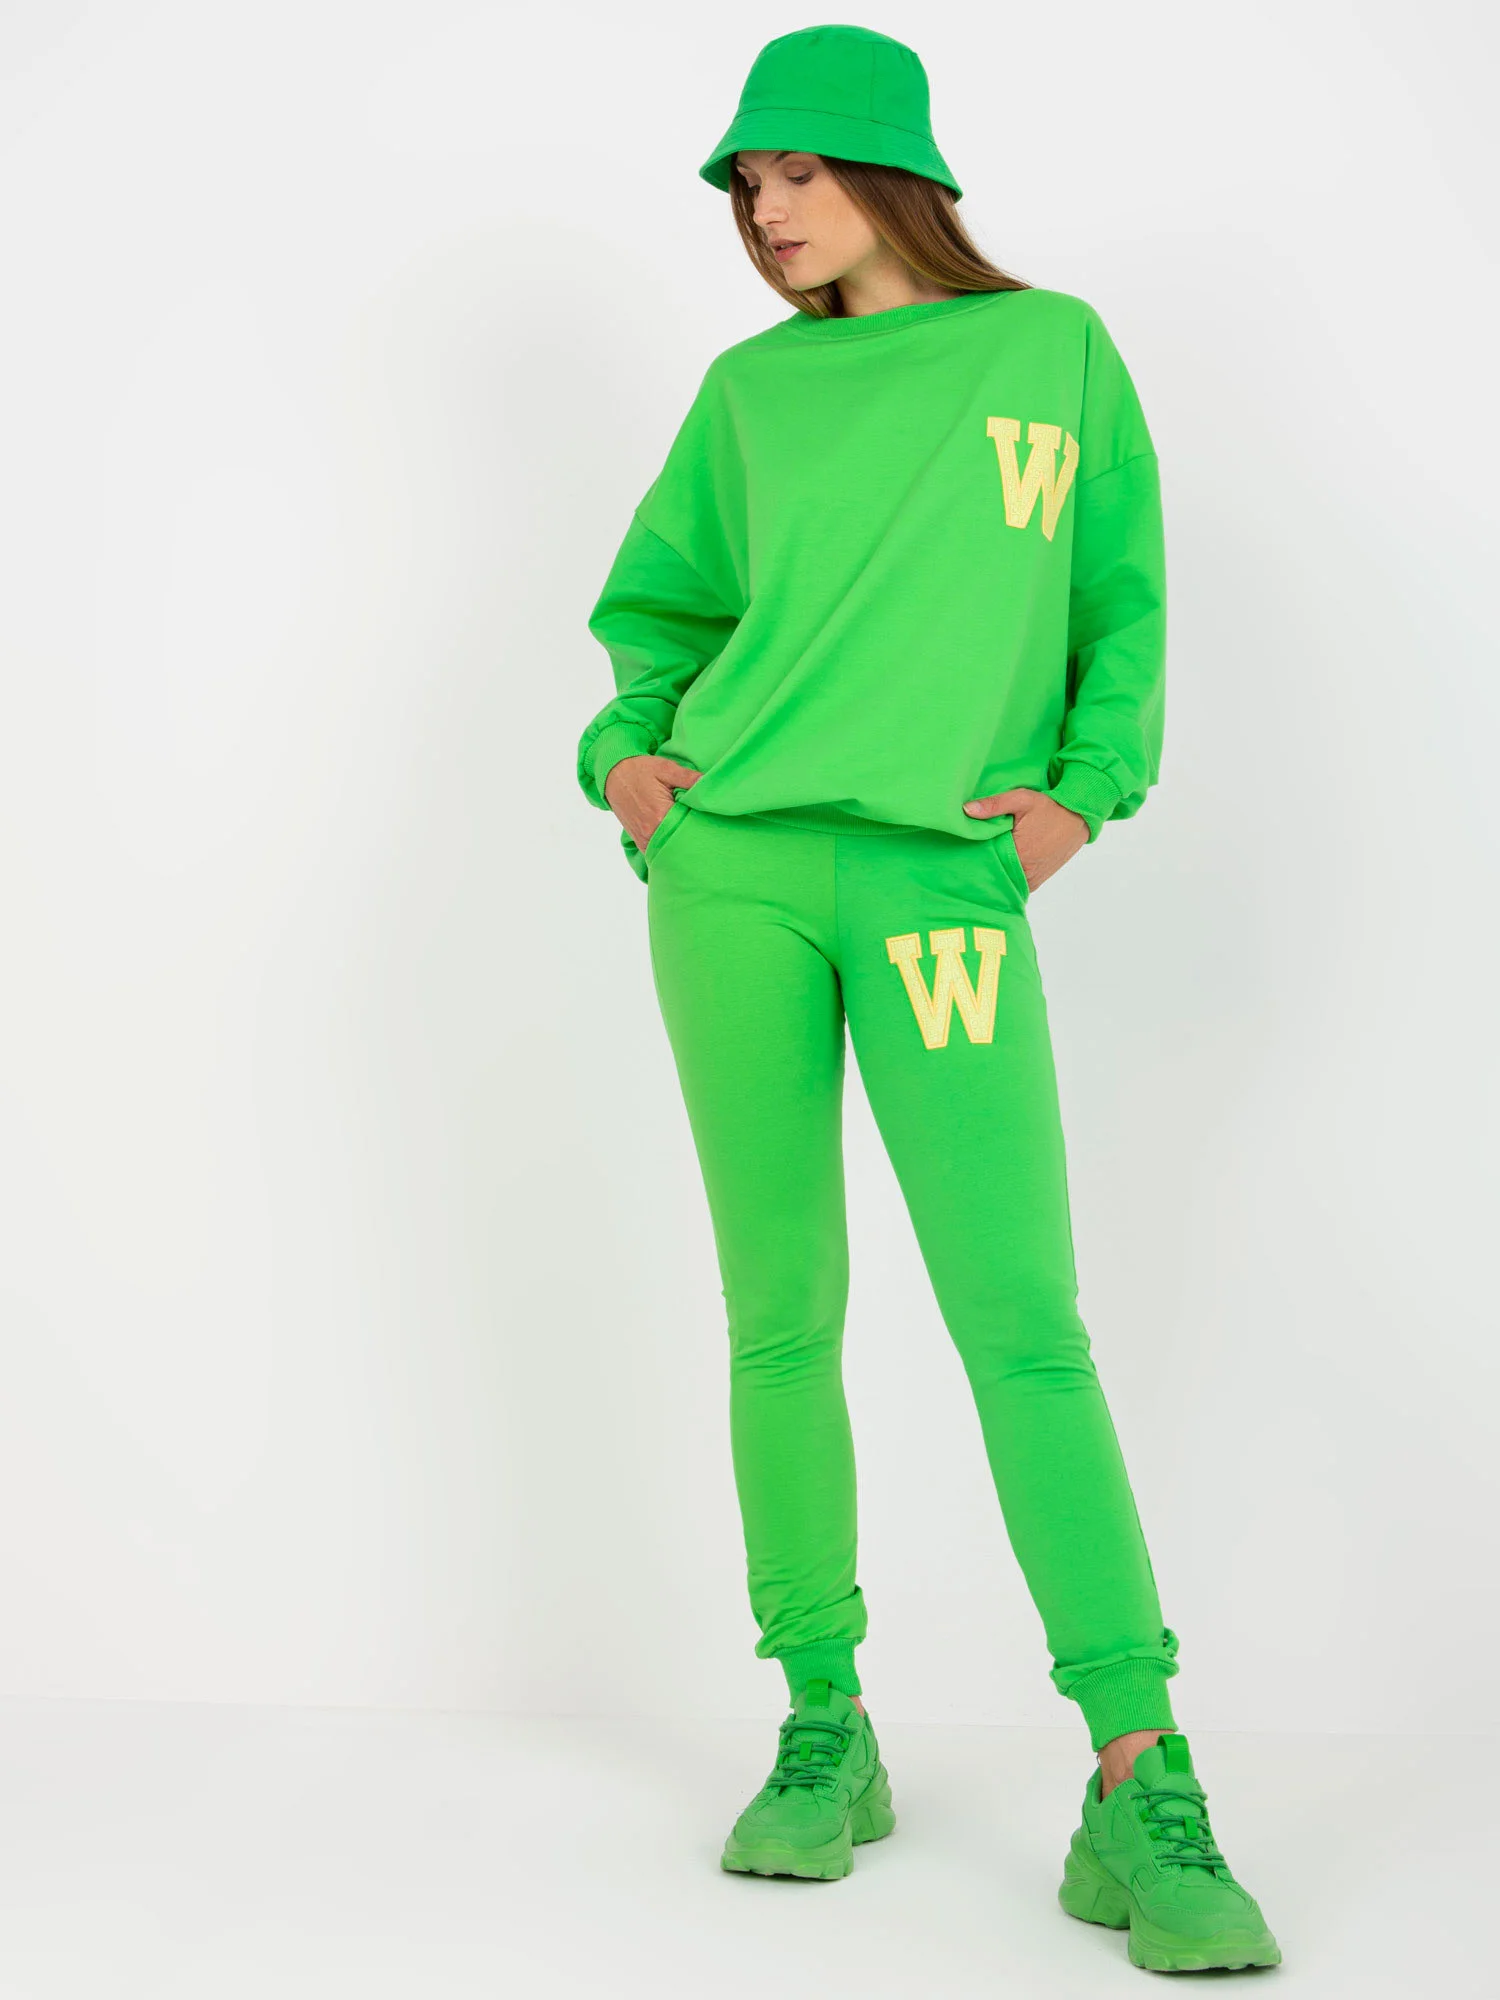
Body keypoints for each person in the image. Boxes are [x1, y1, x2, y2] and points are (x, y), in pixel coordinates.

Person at [574, 24, 1280, 1976]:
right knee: (781, 1313)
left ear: (888, 169)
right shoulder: (747, 394)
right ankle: (823, 1716)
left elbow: (1121, 600)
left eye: (792, 171)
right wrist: (630, 767)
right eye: (745, 187)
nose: (765, 211)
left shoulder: (1051, 354)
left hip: (943, 883)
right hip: (732, 876)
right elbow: (658, 612)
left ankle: (1138, 1772)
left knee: (1022, 1323)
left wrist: (1081, 795)